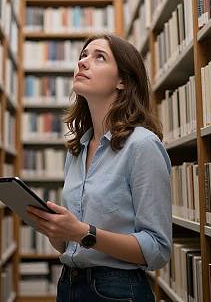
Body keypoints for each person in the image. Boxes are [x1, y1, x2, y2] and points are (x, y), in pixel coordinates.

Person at [25, 33, 172, 302]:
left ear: (123, 81)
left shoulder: (142, 145)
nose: (82, 62)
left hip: (117, 291)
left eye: (99, 57)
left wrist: (83, 233)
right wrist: (54, 228)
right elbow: (66, 244)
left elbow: (158, 249)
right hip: (68, 284)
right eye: (83, 55)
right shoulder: (78, 148)